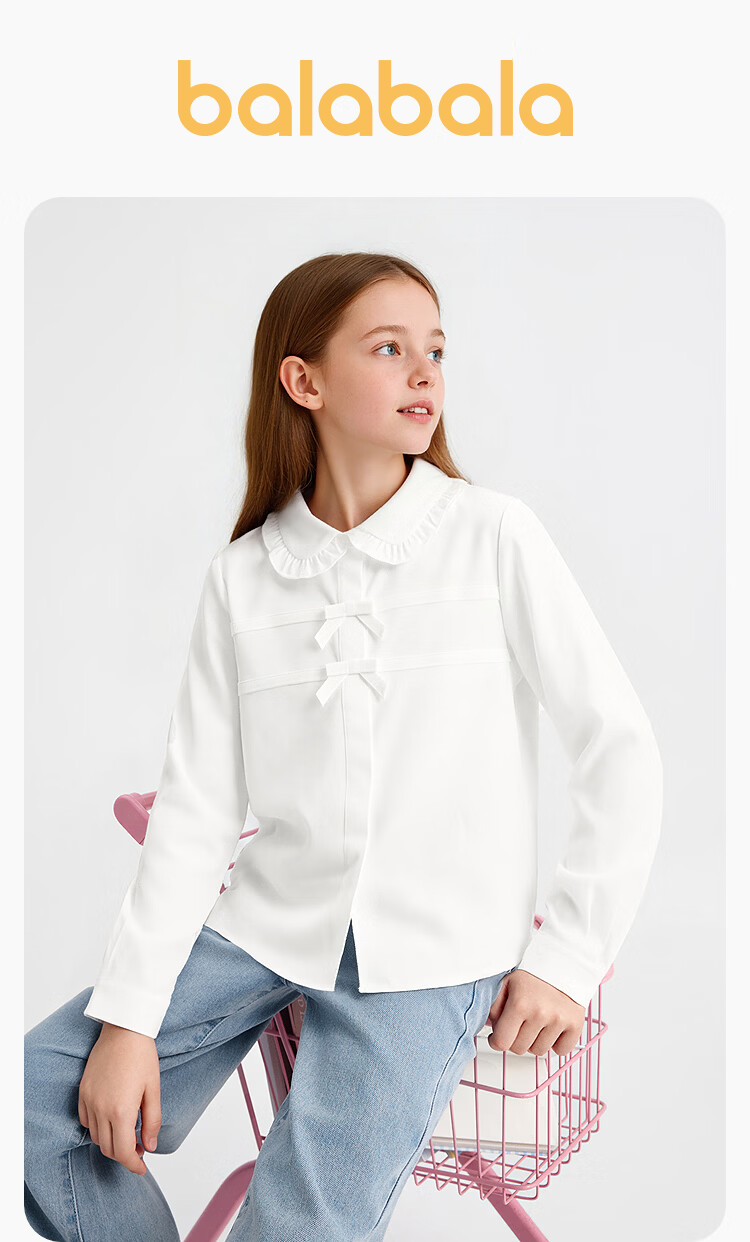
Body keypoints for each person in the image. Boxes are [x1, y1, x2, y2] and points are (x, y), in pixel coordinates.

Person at [24, 251, 663, 1241]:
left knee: (297, 1224)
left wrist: (568, 956)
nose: (425, 372)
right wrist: (131, 1020)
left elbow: (619, 750)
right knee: (33, 1103)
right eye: (389, 348)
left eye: (436, 350)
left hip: (433, 958)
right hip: (264, 927)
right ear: (304, 381)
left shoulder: (493, 535)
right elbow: (196, 814)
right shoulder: (243, 578)